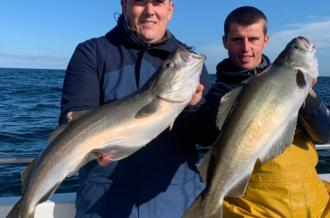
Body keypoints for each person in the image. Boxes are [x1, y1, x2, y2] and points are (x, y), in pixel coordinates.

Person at [59, 0, 212, 218]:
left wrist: (191, 108)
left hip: (177, 204)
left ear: (170, 9)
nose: (150, 11)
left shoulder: (187, 64)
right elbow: (74, 118)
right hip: (103, 206)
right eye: (140, 2)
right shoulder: (91, 53)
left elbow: (206, 137)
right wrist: (93, 148)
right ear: (124, 5)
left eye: (158, 2)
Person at [207, 6, 330, 217]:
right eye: (237, 39)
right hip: (253, 209)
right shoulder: (217, 94)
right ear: (225, 41)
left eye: (253, 39)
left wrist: (309, 99)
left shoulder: (291, 81)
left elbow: (325, 135)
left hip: (314, 204)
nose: (246, 47)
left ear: (266, 40)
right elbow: (204, 135)